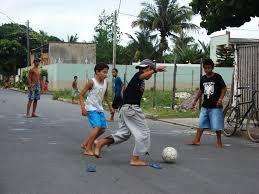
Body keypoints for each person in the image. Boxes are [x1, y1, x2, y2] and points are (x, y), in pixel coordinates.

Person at [94, 59, 166, 166]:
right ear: (149, 69)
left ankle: (101, 143)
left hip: (125, 108)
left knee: (124, 134)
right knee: (143, 133)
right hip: (131, 108)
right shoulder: (139, 75)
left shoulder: (138, 80)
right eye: (149, 71)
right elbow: (141, 75)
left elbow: (125, 91)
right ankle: (135, 158)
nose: (149, 75)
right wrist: (155, 70)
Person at [188, 58, 227, 148]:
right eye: (205, 68)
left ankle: (219, 142)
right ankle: (196, 140)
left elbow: (224, 88)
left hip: (216, 106)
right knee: (201, 123)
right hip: (205, 105)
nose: (207, 70)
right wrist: (195, 100)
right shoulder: (203, 78)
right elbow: (201, 90)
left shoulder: (217, 77)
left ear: (212, 68)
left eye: (209, 68)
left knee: (217, 125)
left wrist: (220, 99)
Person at [79, 63, 114, 156]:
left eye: (107, 73)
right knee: (97, 127)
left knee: (102, 129)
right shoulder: (92, 82)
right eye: (104, 72)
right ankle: (88, 149)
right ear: (97, 72)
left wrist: (110, 107)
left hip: (99, 108)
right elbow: (81, 95)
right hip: (90, 107)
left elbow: (106, 96)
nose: (106, 74)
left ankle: (85, 143)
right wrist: (83, 108)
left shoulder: (106, 82)